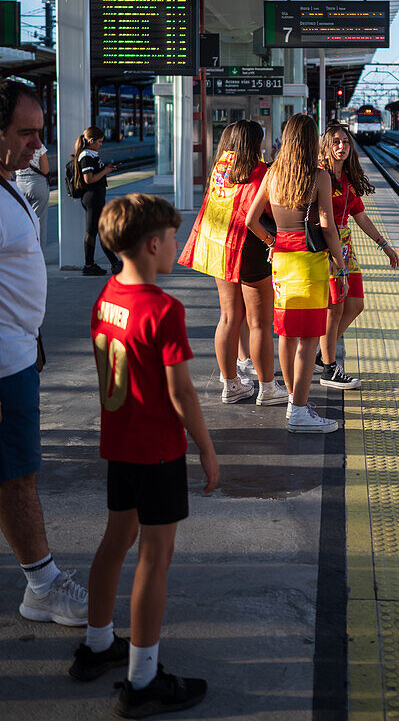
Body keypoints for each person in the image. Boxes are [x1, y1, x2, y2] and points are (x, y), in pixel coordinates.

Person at [70, 193, 219, 718]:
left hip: (120, 445)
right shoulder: (164, 310)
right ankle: (143, 677)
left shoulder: (106, 295)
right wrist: (205, 447)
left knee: (116, 540)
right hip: (158, 451)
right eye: (173, 238)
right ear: (152, 245)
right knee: (154, 561)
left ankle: (95, 645)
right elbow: (182, 395)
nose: (177, 246)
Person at [0, 79, 88, 626]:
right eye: (25, 133)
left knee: (14, 472)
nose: (39, 144)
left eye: (40, 131)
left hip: (19, 354)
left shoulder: (11, 183)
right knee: (18, 476)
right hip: (3, 366)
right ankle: (42, 584)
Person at [246, 113, 348, 434]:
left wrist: (273, 241)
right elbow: (328, 226)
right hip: (309, 263)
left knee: (287, 335)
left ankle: (295, 400)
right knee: (308, 339)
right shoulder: (319, 177)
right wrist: (341, 266)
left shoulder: (273, 173)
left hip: (282, 262)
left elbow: (251, 219)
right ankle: (300, 412)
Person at [179, 120, 288, 407]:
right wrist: (273, 240)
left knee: (228, 318)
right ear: (253, 143)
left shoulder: (220, 169)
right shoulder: (261, 172)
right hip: (251, 250)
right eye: (260, 140)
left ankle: (230, 385)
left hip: (220, 251)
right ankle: (268, 388)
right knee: (260, 324)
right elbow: (271, 211)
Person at [317, 123, 399, 388]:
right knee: (335, 308)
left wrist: (383, 244)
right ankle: (329, 367)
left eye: (346, 142)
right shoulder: (321, 176)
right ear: (326, 146)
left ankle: (323, 353)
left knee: (355, 304)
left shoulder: (347, 179)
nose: (342, 147)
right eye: (336, 142)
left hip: (346, 247)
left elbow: (360, 215)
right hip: (326, 248)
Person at [73, 126, 121, 276]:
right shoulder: (86, 156)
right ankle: (90, 265)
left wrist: (106, 169)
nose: (101, 144)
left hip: (96, 197)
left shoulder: (91, 154)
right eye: (99, 142)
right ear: (91, 141)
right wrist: (106, 171)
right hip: (92, 197)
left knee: (98, 230)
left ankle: (113, 262)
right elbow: (89, 179)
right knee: (93, 231)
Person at [14, 133, 50, 248]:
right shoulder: (39, 147)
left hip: (19, 184)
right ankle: (38, 255)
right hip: (37, 185)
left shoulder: (16, 146)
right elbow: (45, 170)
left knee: (22, 222)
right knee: (39, 222)